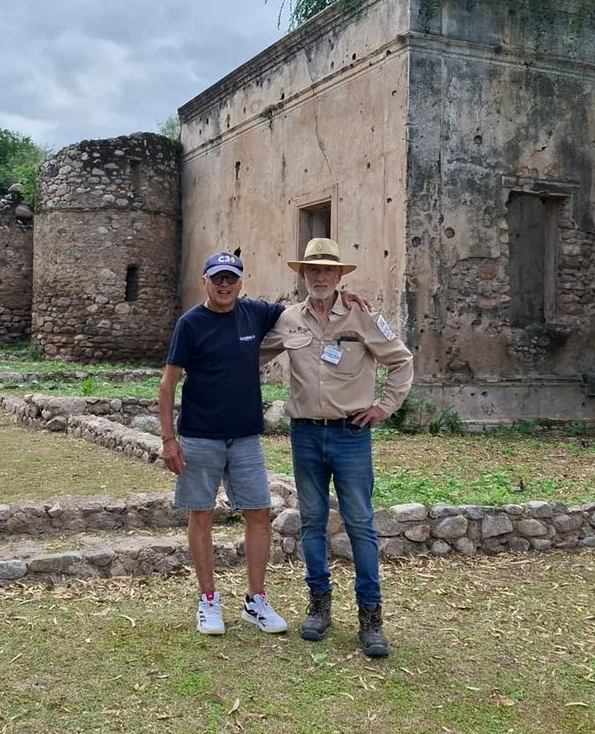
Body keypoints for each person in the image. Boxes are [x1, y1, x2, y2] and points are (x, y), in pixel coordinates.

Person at [158, 249, 370, 636]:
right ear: (205, 281)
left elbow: (306, 309)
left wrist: (344, 297)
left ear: (241, 282)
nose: (224, 285)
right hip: (199, 435)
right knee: (201, 515)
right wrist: (169, 440)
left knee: (258, 513)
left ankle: (256, 600)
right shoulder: (190, 324)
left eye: (231, 278)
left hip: (245, 437)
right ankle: (208, 599)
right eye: (217, 278)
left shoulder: (256, 313)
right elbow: (167, 383)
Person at [261, 237, 413, 658]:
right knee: (312, 522)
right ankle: (319, 606)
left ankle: (371, 618)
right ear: (303, 275)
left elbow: (401, 361)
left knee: (360, 524)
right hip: (306, 435)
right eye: (313, 269)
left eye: (328, 269)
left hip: (351, 436)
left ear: (340, 275)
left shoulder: (363, 316)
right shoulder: (288, 319)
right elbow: (250, 353)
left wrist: (384, 407)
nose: (320, 276)